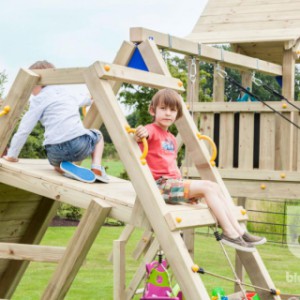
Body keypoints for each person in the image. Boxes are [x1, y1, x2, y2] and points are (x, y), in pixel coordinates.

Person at [134, 88, 266, 252]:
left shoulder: (171, 138)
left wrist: (181, 180)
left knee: (214, 187)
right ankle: (229, 232)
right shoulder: (152, 130)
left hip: (174, 184)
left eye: (172, 110)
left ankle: (240, 231)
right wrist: (140, 132)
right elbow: (141, 135)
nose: (168, 113)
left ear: (177, 114)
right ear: (152, 110)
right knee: (207, 187)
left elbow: (172, 163)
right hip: (160, 187)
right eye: (163, 108)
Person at [3, 60, 109, 183]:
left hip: (53, 152)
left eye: (32, 86)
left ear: (39, 83)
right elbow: (85, 99)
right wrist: (90, 100)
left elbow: (24, 129)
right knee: (98, 135)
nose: (31, 91)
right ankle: (96, 168)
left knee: (57, 165)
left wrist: (12, 155)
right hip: (78, 145)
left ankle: (62, 169)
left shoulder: (38, 100)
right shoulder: (67, 92)